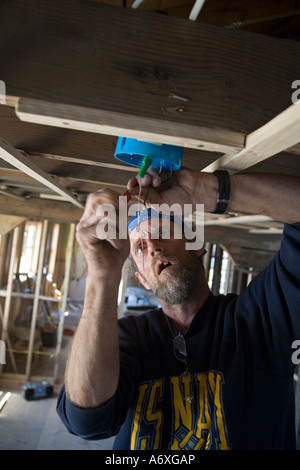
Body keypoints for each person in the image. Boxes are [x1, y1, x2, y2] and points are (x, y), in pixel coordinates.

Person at [57, 168, 300, 450]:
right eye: (139, 248)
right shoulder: (128, 340)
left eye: (162, 231)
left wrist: (206, 190)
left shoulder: (260, 319)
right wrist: (101, 275)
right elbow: (86, 423)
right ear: (143, 280)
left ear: (196, 245)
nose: (153, 248)